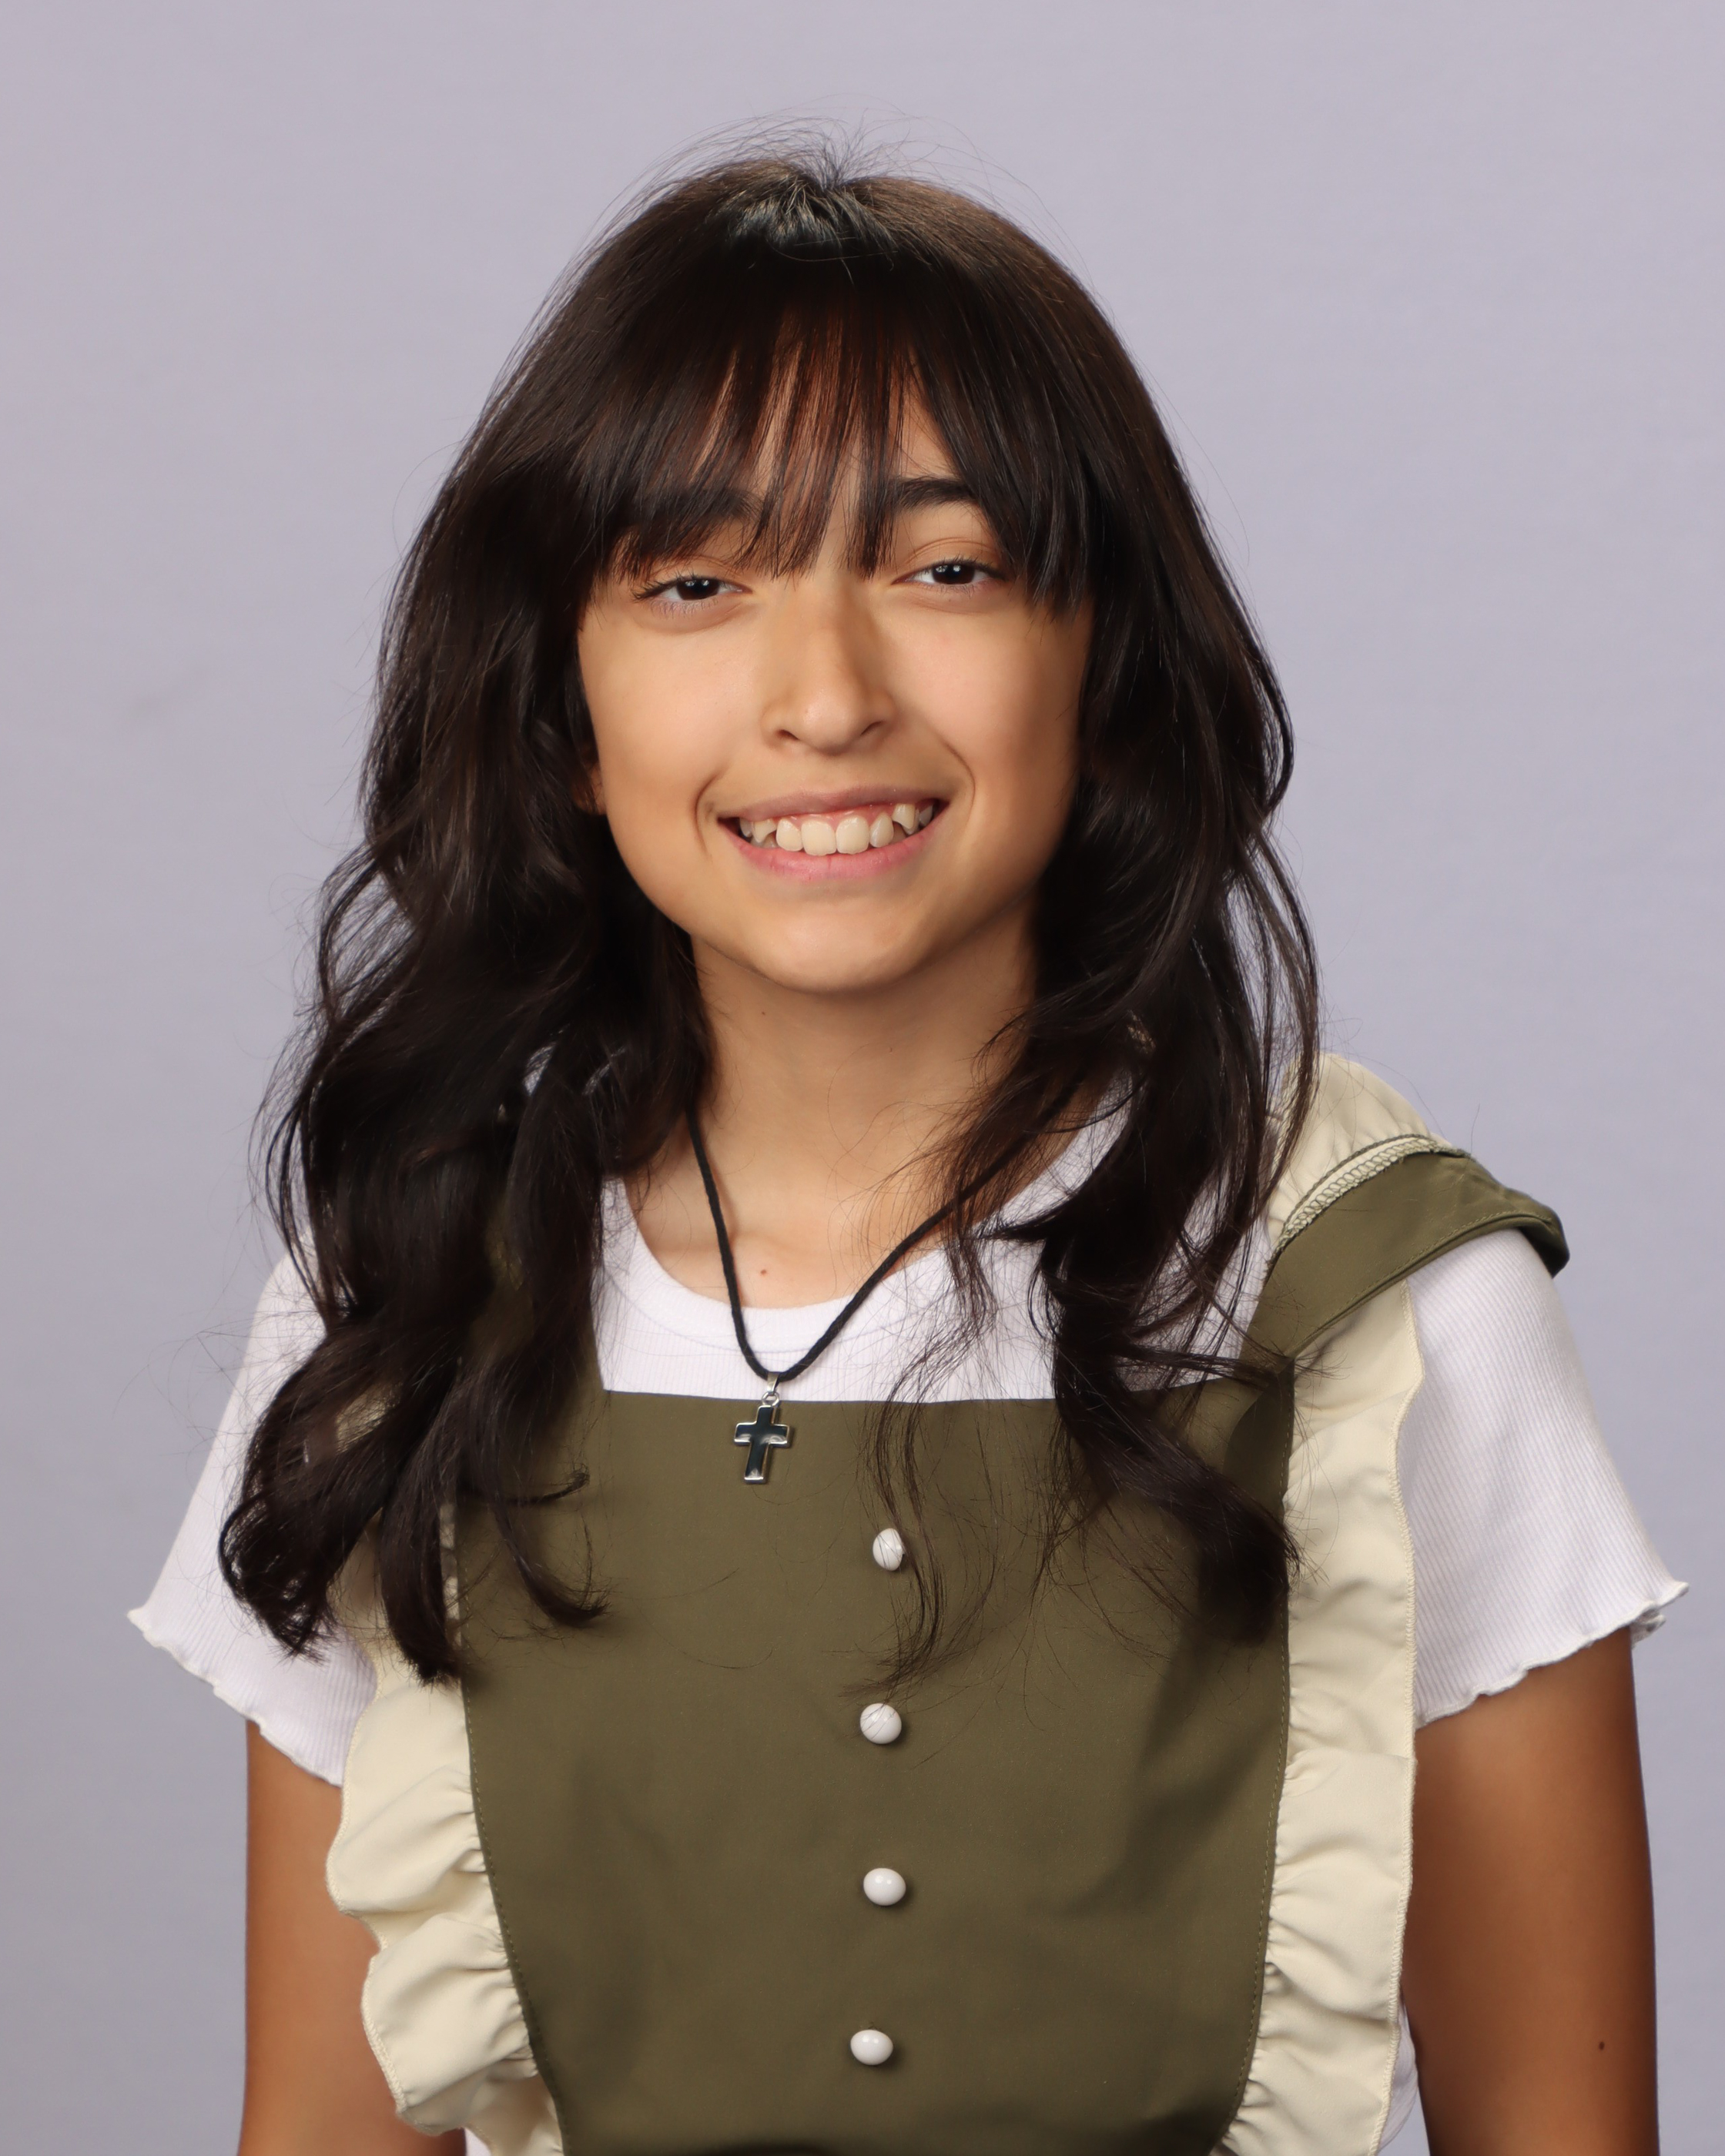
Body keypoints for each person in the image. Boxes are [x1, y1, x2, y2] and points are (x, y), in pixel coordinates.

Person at [133, 149, 1680, 2156]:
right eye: (696, 584)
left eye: (945, 570)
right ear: (561, 709)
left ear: (1106, 665)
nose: (827, 699)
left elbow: (1558, 2126)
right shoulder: (414, 1284)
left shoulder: (1376, 1294)